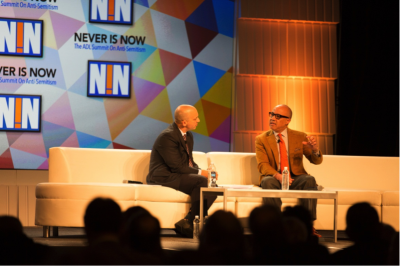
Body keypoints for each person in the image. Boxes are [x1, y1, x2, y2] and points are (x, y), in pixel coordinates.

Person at [147, 105, 217, 237]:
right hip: (163, 176)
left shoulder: (188, 136)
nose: (199, 121)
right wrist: (201, 173)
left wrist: (204, 171)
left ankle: (188, 221)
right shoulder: (167, 136)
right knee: (201, 180)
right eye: (195, 118)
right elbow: (176, 166)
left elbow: (188, 161)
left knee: (213, 187)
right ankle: (195, 224)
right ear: (184, 122)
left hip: (176, 173)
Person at [255, 104, 323, 235]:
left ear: (288, 121)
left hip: (296, 177)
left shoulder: (300, 136)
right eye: (272, 114)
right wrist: (278, 176)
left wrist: (314, 150)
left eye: (278, 116)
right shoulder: (261, 139)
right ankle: (274, 226)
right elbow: (262, 165)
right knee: (267, 182)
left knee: (309, 180)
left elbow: (316, 161)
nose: (272, 118)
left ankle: (307, 225)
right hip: (274, 177)